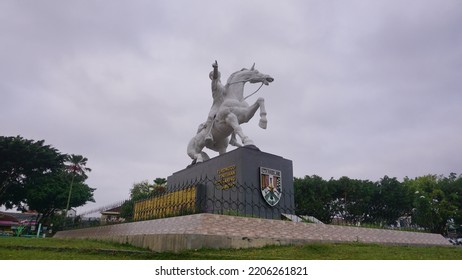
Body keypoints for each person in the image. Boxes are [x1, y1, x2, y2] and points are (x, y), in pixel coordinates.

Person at [200, 60, 226, 145]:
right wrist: (216, 68)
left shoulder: (223, 85)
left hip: (225, 105)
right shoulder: (214, 84)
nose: (216, 75)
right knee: (211, 117)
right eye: (214, 75)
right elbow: (215, 76)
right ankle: (208, 135)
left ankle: (234, 138)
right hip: (217, 106)